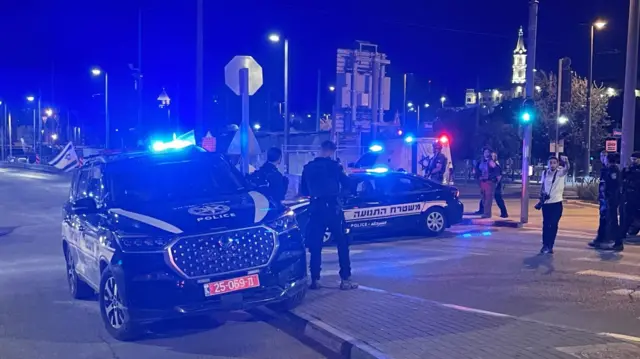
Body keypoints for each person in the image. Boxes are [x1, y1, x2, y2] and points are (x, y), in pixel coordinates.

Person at [300, 140, 357, 290]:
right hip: (333, 208)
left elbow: (304, 191)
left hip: (316, 208)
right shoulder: (335, 167)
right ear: (332, 151)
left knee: (315, 244)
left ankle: (315, 279)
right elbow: (349, 185)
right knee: (342, 243)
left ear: (320, 149)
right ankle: (345, 279)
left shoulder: (308, 168)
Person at [539, 155, 570, 254]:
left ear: (557, 164)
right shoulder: (544, 173)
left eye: (554, 163)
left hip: (556, 203)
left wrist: (566, 162)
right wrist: (542, 195)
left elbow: (567, 169)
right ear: (548, 164)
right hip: (546, 203)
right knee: (546, 224)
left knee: (553, 224)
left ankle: (550, 245)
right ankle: (545, 245)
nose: (552, 165)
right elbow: (542, 185)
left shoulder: (560, 173)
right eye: (550, 163)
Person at [594, 153, 623, 251]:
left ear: (608, 160)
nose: (604, 160)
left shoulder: (613, 170)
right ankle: (600, 240)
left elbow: (614, 186)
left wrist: (610, 198)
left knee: (613, 221)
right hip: (605, 200)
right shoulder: (607, 170)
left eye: (605, 158)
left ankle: (618, 243)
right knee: (604, 220)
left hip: (611, 200)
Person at [477, 152, 508, 218]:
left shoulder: (494, 164)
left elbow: (498, 175)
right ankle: (483, 211)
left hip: (494, 184)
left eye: (493, 156)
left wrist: (495, 182)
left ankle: (504, 212)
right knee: (485, 198)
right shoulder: (486, 162)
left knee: (496, 198)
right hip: (488, 182)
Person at [588, 151, 610, 248]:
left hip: (607, 198)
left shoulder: (610, 169)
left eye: (605, 156)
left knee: (606, 218)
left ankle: (603, 238)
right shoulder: (604, 169)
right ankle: (601, 238)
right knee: (603, 218)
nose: (603, 158)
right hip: (603, 198)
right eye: (602, 156)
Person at [619, 152, 640, 241]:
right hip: (629, 196)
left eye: (635, 159)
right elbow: (622, 179)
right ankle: (622, 233)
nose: (633, 161)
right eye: (632, 159)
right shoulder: (628, 169)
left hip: (637, 196)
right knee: (627, 215)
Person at [475, 148, 499, 218]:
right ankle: (485, 212)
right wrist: (478, 178)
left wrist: (493, 179)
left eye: (487, 152)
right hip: (482, 182)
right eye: (485, 152)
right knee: (483, 198)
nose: (486, 153)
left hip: (489, 182)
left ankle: (487, 214)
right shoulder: (481, 161)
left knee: (488, 199)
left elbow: (497, 170)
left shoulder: (491, 162)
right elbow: (477, 170)